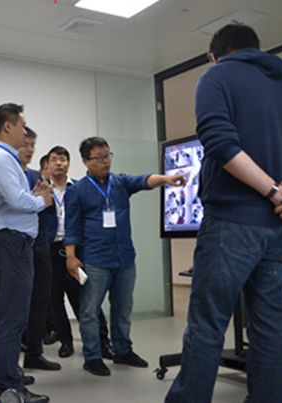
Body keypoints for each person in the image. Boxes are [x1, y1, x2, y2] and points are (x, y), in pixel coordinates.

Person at [165, 23, 282, 403]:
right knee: (271, 323)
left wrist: (270, 190)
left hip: (233, 221)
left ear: (214, 55)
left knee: (208, 323)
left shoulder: (217, 76)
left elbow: (220, 143)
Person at [64, 136, 187, 376]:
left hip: (124, 259)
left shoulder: (120, 182)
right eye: (99, 157)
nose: (106, 161)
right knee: (89, 312)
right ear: (86, 161)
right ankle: (92, 357)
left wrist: (166, 179)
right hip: (95, 260)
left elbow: (144, 180)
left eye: (108, 155)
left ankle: (122, 351)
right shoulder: (77, 191)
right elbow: (71, 226)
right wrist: (71, 256)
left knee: (122, 309)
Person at [0, 103, 53, 403]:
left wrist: (32, 196)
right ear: (7, 126)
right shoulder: (1, 158)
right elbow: (17, 201)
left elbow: (18, 199)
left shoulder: (5, 159)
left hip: (10, 245)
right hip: (11, 246)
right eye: (22, 125)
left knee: (3, 316)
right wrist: (42, 201)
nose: (25, 132)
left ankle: (2, 378)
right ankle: (11, 389)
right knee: (12, 320)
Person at [41, 145, 113, 360]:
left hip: (77, 249)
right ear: (48, 165)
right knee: (55, 299)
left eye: (63, 159)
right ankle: (66, 342)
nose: (59, 163)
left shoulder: (80, 187)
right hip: (51, 249)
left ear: (69, 163)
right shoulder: (42, 191)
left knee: (86, 297)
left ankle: (102, 342)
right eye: (54, 160)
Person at [18, 128, 61, 372]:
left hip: (40, 246)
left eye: (32, 145)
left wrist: (47, 196)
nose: (29, 149)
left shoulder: (36, 176)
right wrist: (35, 200)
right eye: (24, 144)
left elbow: (50, 209)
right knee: (17, 305)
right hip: (17, 247)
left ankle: (35, 353)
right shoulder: (10, 175)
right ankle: (10, 363)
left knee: (41, 301)